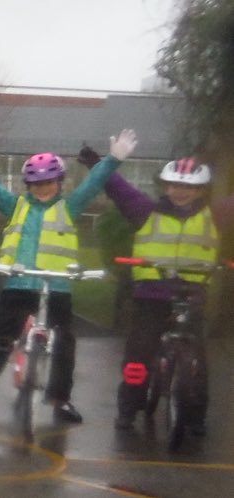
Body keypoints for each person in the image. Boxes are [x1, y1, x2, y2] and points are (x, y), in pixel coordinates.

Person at [0, 129, 137, 423]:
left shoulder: (68, 207)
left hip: (56, 287)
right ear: (28, 186)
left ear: (59, 183)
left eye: (48, 183)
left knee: (64, 344)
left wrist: (112, 160)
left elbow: (94, 184)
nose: (42, 188)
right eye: (35, 184)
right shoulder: (16, 206)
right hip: (19, 285)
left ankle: (61, 400)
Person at [102, 156, 232, 434]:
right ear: (165, 186)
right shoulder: (146, 211)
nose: (179, 191)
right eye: (173, 185)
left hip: (191, 293)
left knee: (197, 358)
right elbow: (121, 191)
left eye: (188, 187)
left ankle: (196, 416)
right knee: (138, 353)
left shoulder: (214, 215)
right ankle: (129, 407)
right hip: (152, 293)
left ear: (200, 191)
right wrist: (98, 163)